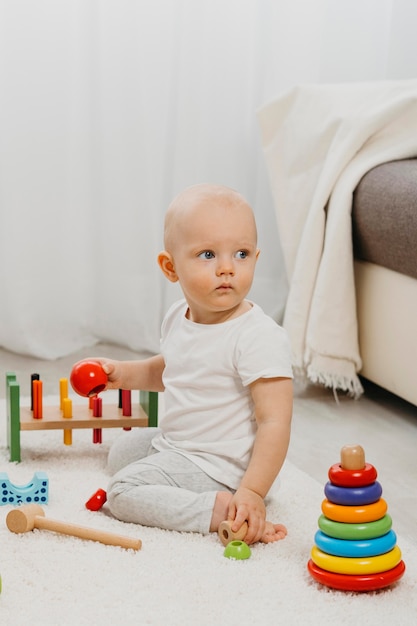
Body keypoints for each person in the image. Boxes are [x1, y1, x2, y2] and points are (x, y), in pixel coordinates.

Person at [79, 183, 293, 545]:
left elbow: (275, 420)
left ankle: (219, 508)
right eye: (208, 255)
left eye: (240, 254)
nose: (227, 268)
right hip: (182, 443)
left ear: (256, 258)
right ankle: (176, 479)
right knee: (121, 453)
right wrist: (120, 375)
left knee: (122, 490)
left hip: (221, 465)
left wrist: (253, 491)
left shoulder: (257, 336)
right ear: (170, 267)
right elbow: (171, 369)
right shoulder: (180, 315)